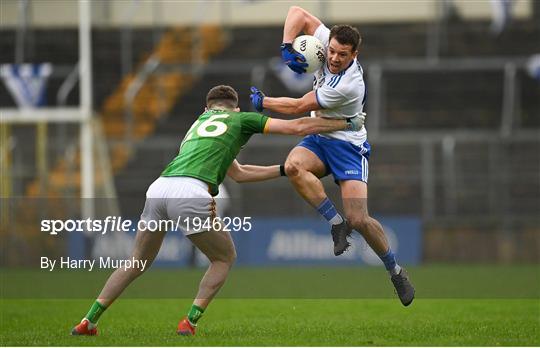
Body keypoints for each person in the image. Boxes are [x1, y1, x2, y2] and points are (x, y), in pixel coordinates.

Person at [71, 85, 365, 337]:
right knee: (224, 258)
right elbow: (297, 127)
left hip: (159, 188)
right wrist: (346, 125)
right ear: (236, 110)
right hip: (192, 193)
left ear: (206, 107)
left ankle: (88, 321)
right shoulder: (241, 120)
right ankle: (189, 321)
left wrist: (281, 171)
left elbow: (237, 173)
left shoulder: (196, 124)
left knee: (136, 262)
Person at [249, 6, 415, 306]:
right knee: (294, 167)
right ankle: (336, 224)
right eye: (333, 51)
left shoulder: (349, 84)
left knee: (360, 219)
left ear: (354, 55)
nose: (335, 58)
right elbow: (298, 13)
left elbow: (300, 108)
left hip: (348, 146)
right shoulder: (327, 43)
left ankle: (395, 271)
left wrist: (264, 102)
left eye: (343, 54)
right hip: (320, 136)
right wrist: (287, 46)